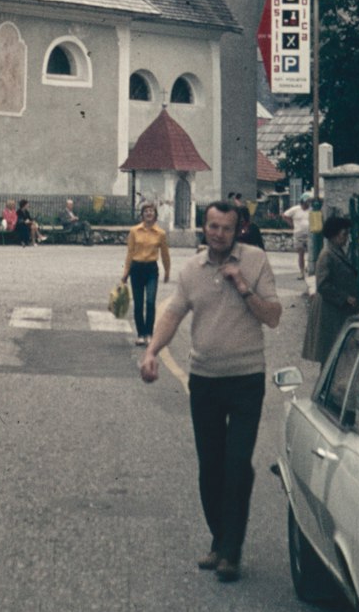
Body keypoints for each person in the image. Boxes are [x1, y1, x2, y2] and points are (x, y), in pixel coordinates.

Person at [140, 200, 281, 583]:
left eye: (225, 228)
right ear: (205, 228)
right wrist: (153, 351)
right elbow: (172, 314)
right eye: (212, 227)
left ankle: (231, 552)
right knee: (211, 468)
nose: (218, 234)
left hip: (246, 378)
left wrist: (242, 286)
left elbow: (273, 316)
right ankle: (220, 540)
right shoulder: (191, 270)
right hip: (203, 380)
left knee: (237, 466)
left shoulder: (255, 262)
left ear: (239, 230)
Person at [303, 212, 359, 365]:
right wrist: (345, 297)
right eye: (344, 234)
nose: (346, 238)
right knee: (330, 354)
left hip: (335, 310)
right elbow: (323, 285)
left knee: (335, 354)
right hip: (329, 312)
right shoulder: (327, 254)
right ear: (334, 235)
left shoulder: (337, 251)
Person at [122, 201, 171, 346]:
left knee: (150, 302)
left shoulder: (160, 233)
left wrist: (167, 271)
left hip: (151, 269)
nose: (149, 213)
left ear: (155, 215)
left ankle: (149, 334)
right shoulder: (134, 231)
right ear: (142, 215)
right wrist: (126, 272)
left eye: (151, 211)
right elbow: (130, 252)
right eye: (146, 211)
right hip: (136, 269)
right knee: (138, 303)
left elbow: (165, 254)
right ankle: (141, 334)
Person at [283, 191, 314, 279]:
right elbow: (285, 215)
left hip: (309, 234)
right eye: (307, 201)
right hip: (299, 234)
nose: (308, 203)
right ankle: (302, 272)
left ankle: (309, 269)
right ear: (303, 201)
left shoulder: (311, 209)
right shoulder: (295, 209)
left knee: (311, 253)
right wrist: (291, 224)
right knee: (301, 254)